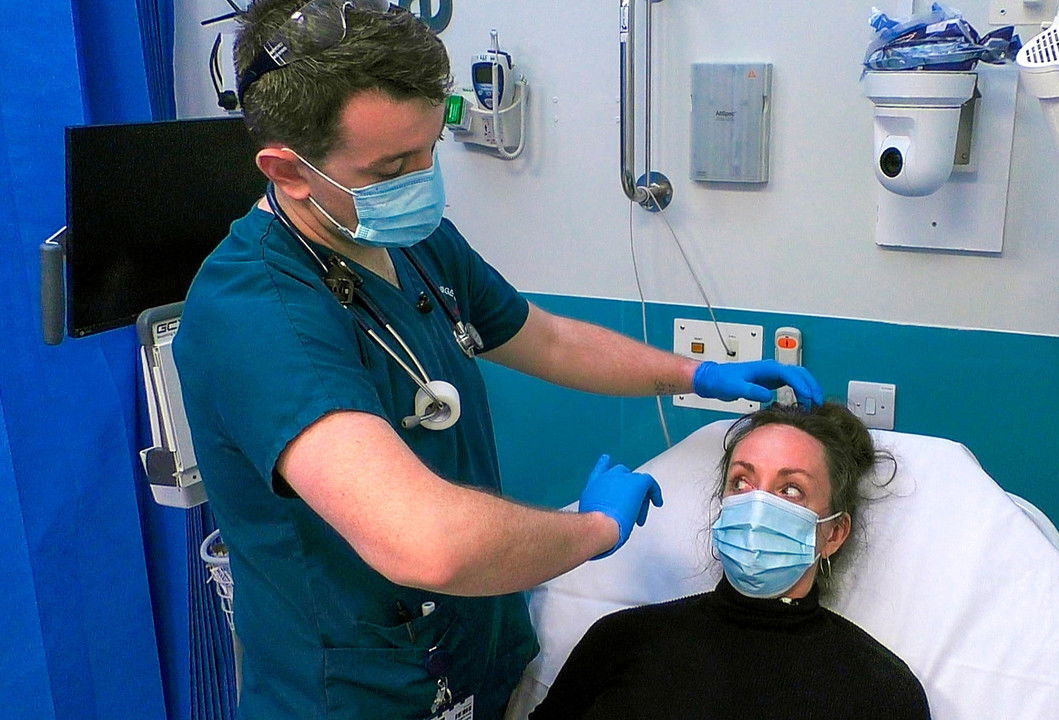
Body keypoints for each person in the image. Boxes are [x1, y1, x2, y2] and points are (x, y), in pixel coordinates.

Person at [171, 1, 823, 718]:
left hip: (473, 648)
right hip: (361, 689)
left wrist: (694, 374)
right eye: (392, 166)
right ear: (288, 172)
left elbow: (547, 339)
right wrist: (595, 532)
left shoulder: (410, 241)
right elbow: (427, 543)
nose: (423, 178)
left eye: (430, 147)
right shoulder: (257, 314)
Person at [530, 403, 930, 719]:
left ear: (834, 533)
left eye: (790, 490)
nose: (757, 505)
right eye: (741, 481)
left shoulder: (881, 692)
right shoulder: (622, 640)